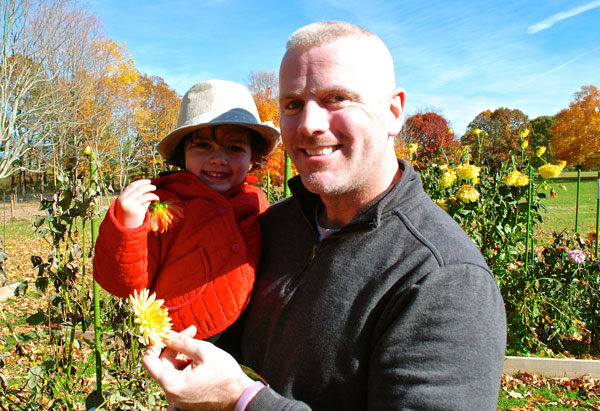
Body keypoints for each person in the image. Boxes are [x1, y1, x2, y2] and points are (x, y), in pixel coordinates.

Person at [142, 21, 507, 410]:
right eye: (293, 104)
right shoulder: (272, 228)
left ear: (394, 111)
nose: (309, 125)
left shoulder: (442, 278)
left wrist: (242, 400)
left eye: (337, 98)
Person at [93, 79, 280, 341]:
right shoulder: (166, 207)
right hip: (190, 337)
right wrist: (128, 228)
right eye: (202, 146)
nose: (218, 159)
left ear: (253, 160)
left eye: (235, 148)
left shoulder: (256, 200)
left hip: (256, 335)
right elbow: (123, 285)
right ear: (183, 154)